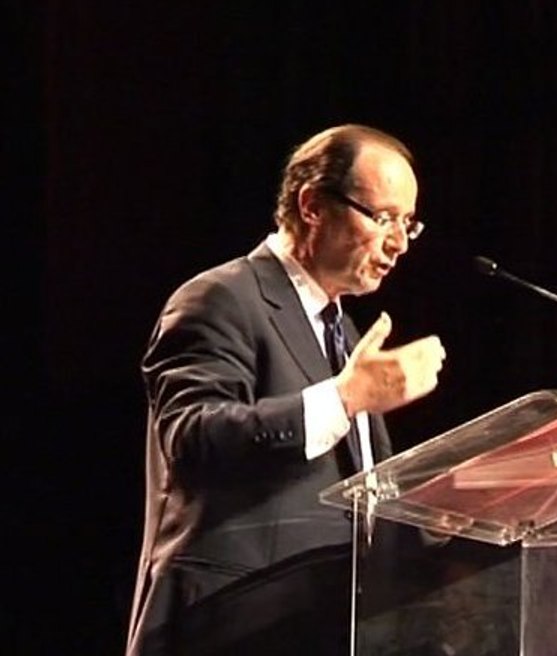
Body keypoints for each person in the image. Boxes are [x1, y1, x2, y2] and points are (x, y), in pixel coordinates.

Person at [126, 124, 447, 656]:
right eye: (383, 217)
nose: (398, 242)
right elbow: (191, 437)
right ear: (313, 206)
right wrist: (345, 399)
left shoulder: (341, 332)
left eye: (408, 224)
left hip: (325, 626)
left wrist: (459, 515)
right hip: (229, 624)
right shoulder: (220, 298)